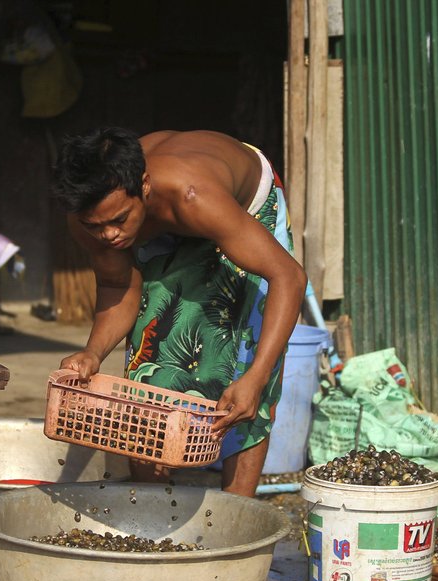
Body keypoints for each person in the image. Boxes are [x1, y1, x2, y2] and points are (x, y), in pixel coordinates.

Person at [50, 127, 308, 497]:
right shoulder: (88, 216)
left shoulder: (194, 197)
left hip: (243, 205)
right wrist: (93, 353)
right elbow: (117, 287)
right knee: (150, 365)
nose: (108, 236)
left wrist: (257, 376)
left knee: (245, 369)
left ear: (144, 185)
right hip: (171, 221)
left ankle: (233, 521)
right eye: (96, 226)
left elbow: (289, 277)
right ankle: (151, 515)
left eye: (119, 220)